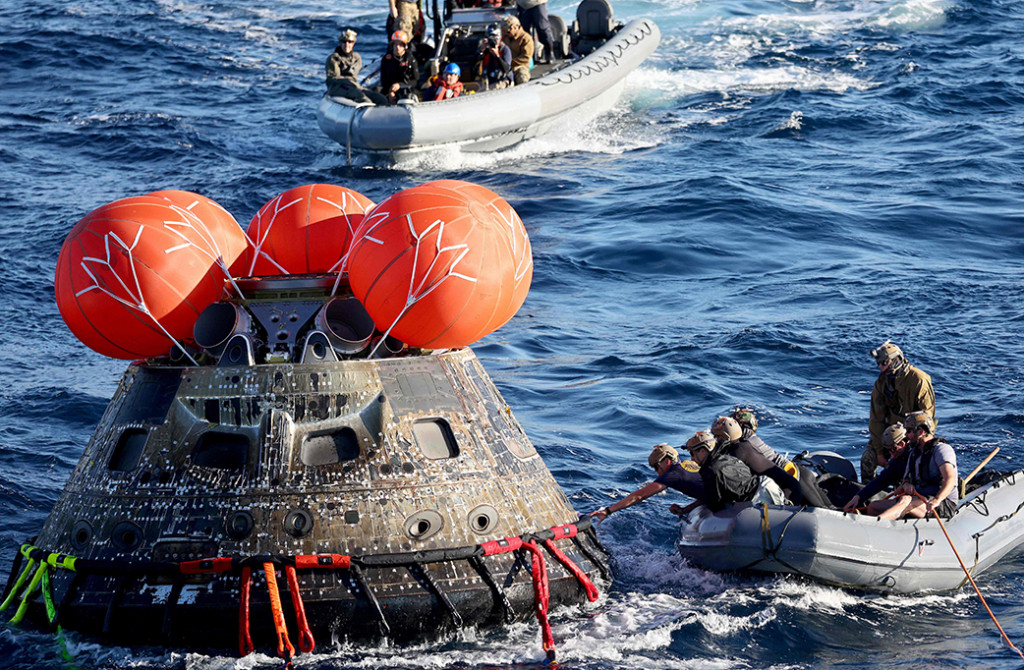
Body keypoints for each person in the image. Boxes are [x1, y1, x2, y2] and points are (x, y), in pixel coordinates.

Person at [863, 341, 935, 483]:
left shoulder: (919, 380)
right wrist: (879, 452)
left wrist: (909, 443)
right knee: (867, 458)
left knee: (903, 469)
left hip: (913, 435)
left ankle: (902, 496)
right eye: (879, 364)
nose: (881, 367)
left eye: (884, 363)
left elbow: (926, 418)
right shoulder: (881, 383)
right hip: (889, 434)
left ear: (896, 360)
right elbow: (876, 420)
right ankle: (866, 496)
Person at [871, 412, 959, 520]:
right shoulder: (914, 453)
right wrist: (906, 485)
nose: (906, 436)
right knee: (873, 507)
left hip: (941, 503)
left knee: (905, 501)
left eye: (909, 431)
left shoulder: (942, 450)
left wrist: (937, 500)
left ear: (921, 432)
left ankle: (876, 525)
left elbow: (950, 479)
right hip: (918, 499)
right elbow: (906, 479)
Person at [589, 443, 704, 523]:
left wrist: (607, 511)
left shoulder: (672, 475)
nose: (656, 471)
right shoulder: (689, 465)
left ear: (667, 461)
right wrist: (685, 510)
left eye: (656, 466)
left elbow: (638, 496)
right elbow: (709, 494)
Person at [842, 423, 912, 514]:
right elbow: (882, 480)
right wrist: (859, 497)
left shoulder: (914, 457)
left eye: (893, 449)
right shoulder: (898, 460)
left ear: (902, 444)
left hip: (922, 500)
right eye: (888, 450)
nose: (891, 454)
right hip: (907, 496)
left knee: (874, 507)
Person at [686, 430, 759, 512]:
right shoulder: (724, 456)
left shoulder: (711, 469)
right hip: (763, 485)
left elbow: (716, 505)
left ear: (703, 451)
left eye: (692, 453)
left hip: (758, 497)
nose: (692, 458)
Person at [325, 29, 388, 105]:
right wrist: (348, 82)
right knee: (363, 99)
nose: (347, 45)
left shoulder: (356, 57)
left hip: (353, 86)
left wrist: (353, 84)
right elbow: (333, 78)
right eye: (344, 42)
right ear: (340, 43)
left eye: (350, 42)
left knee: (380, 98)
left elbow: (354, 76)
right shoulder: (334, 58)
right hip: (337, 87)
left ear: (353, 43)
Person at [380, 30, 420, 104]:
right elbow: (383, 79)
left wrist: (400, 85)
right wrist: (390, 92)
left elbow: (416, 80)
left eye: (400, 45)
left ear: (405, 46)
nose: (397, 47)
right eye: (395, 44)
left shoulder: (411, 59)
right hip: (390, 89)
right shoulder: (387, 59)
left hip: (407, 88)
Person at [475, 25, 513, 90]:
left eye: (496, 38)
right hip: (488, 81)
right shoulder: (486, 50)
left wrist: (497, 56)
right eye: (491, 37)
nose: (493, 40)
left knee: (494, 88)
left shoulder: (505, 50)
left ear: (500, 38)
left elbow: (507, 69)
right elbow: (475, 66)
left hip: (502, 80)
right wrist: (481, 51)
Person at [501, 15, 534, 85]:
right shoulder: (504, 38)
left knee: (522, 77)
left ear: (515, 28)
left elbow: (526, 57)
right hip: (503, 66)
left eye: (508, 32)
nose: (505, 34)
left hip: (519, 66)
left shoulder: (526, 38)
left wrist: (510, 63)